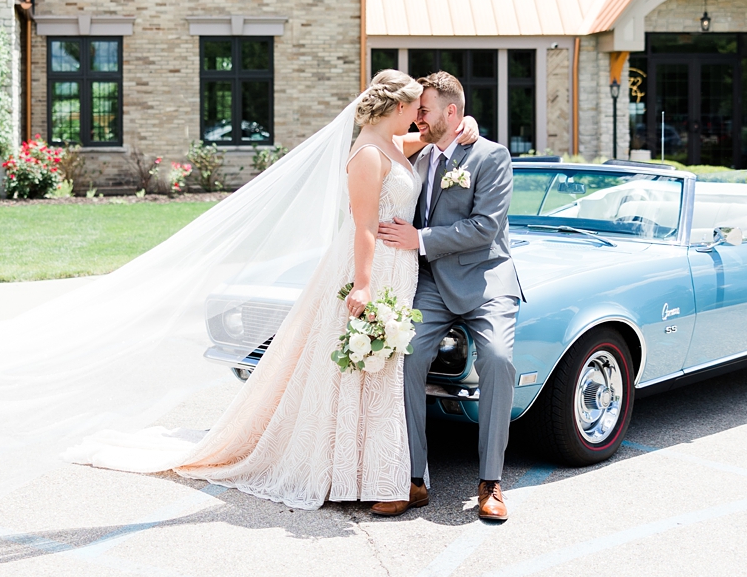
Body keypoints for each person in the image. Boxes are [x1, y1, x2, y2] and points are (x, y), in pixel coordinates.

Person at [69, 70, 479, 510]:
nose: (420, 118)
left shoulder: (395, 145)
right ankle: (376, 481)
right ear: (397, 108)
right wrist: (362, 286)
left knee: (383, 373)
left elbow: (441, 138)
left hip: (399, 268)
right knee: (361, 369)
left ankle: (382, 474)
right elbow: (362, 227)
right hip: (372, 268)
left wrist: (465, 124)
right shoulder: (367, 155)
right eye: (415, 109)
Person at [372, 71, 521, 522]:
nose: (417, 117)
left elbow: (485, 229)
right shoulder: (416, 157)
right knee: (405, 358)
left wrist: (418, 239)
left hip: (486, 278)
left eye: (425, 110)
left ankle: (491, 480)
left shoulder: (491, 156)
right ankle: (413, 479)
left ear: (451, 113)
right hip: (434, 283)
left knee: (496, 358)